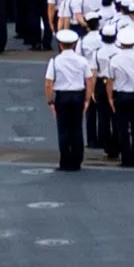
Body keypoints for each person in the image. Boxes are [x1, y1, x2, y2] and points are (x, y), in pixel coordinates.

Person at [44, 32, 92, 172]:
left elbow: (48, 83)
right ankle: (77, 160)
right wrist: (87, 99)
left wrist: (50, 101)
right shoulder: (82, 61)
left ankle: (65, 161)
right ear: (75, 44)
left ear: (60, 45)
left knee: (63, 129)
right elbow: (89, 80)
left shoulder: (55, 61)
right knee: (77, 128)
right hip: (78, 95)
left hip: (62, 96)